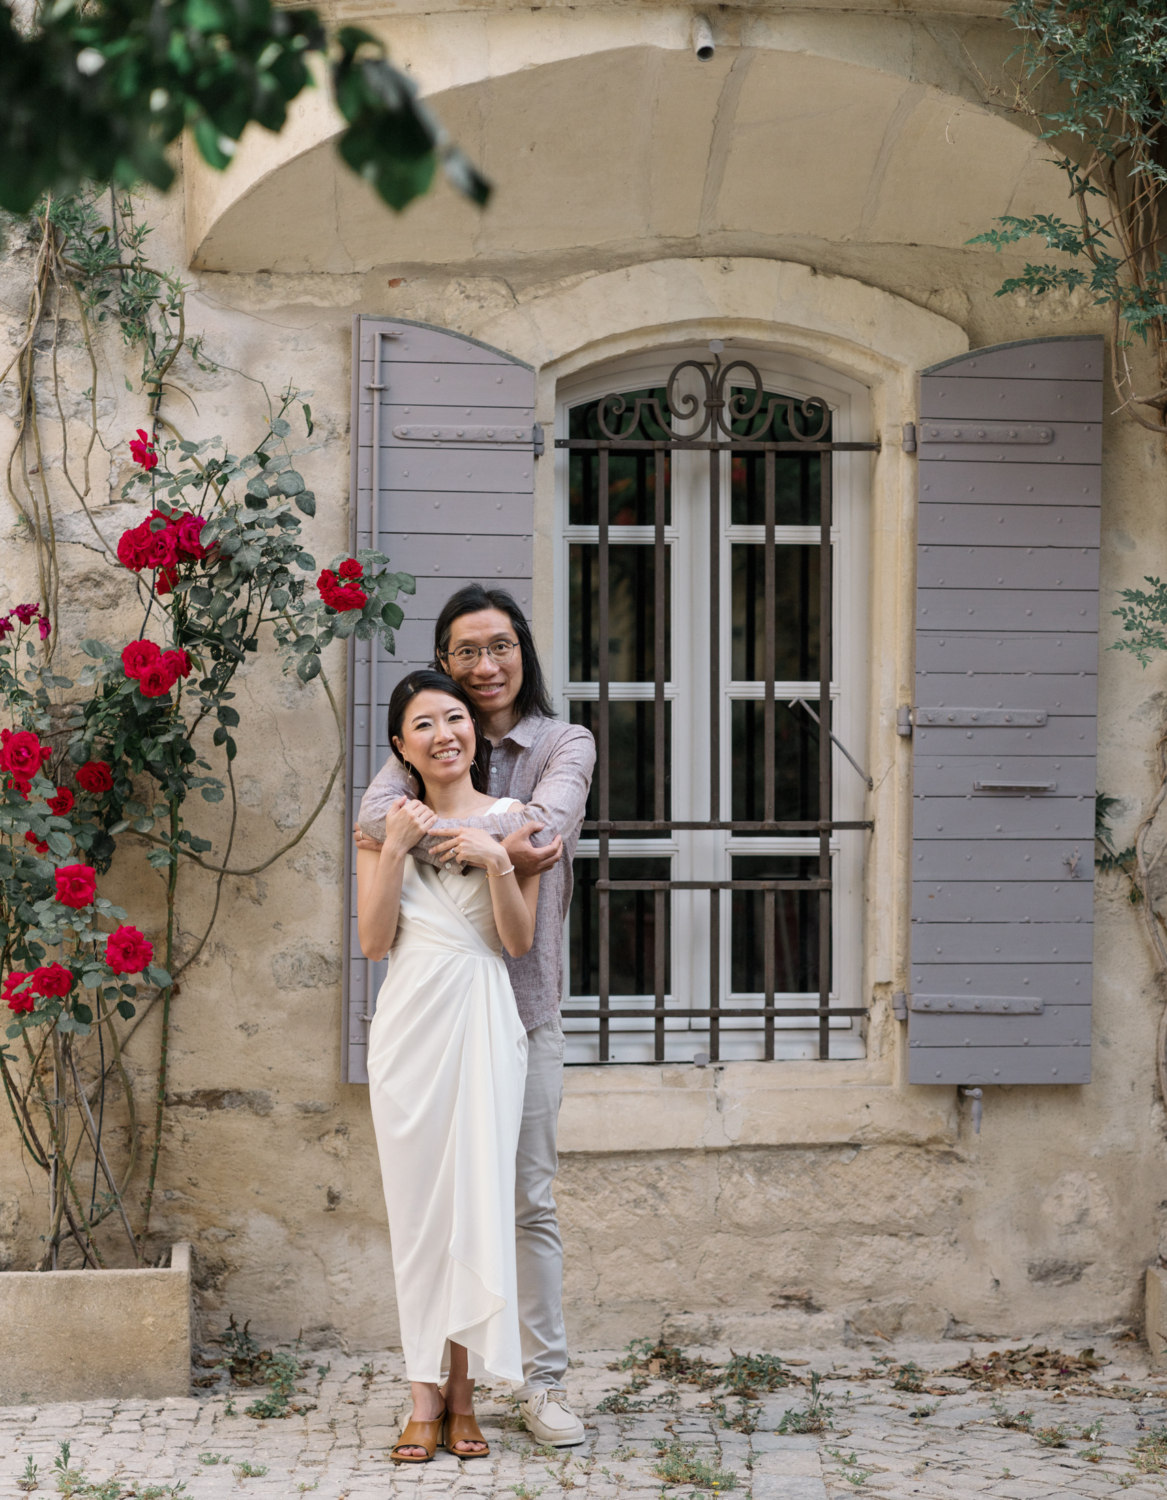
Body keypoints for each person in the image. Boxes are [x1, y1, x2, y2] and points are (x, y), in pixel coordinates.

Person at [356, 584, 595, 1447]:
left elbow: (541, 830)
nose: (483, 666)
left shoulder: (561, 742)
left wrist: (492, 844)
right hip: (425, 1012)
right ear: (443, 660)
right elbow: (376, 815)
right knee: (430, 1204)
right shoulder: (429, 731)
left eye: (498, 647)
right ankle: (440, 1396)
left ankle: (542, 1386)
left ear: (521, 653)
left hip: (518, 1008)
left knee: (523, 1201)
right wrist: (423, 827)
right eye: (464, 651)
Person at [357, 668, 540, 1464]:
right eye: (424, 724)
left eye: (455, 717)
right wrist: (395, 848)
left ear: (475, 730)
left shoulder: (513, 822)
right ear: (401, 746)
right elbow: (371, 941)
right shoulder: (383, 827)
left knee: (476, 1202)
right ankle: (421, 1393)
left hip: (482, 1014)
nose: (444, 734)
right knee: (419, 1214)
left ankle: (464, 1397)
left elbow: (517, 941)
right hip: (409, 1024)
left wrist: (498, 860)